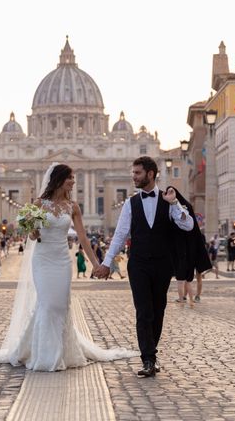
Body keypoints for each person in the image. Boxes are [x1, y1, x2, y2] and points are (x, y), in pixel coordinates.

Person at [0, 163, 137, 371]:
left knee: (60, 305)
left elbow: (83, 239)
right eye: (70, 177)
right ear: (60, 179)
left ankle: (56, 351)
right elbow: (31, 233)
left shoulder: (73, 207)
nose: (73, 181)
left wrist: (98, 264)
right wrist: (32, 232)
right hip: (43, 260)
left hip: (62, 261)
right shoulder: (39, 204)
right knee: (47, 305)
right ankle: (46, 355)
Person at [94, 157, 194, 377]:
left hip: (162, 264)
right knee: (144, 312)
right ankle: (147, 358)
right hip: (138, 263)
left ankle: (152, 355)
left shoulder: (169, 201)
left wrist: (174, 204)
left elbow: (188, 225)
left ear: (150, 174)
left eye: (137, 173)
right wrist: (106, 263)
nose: (134, 177)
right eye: (133, 173)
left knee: (158, 311)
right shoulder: (131, 203)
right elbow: (120, 235)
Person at [168, 186, 212, 308]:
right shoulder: (171, 206)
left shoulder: (184, 207)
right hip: (185, 248)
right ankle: (189, 299)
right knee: (187, 279)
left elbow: (188, 223)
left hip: (186, 248)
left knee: (184, 279)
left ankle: (187, 299)